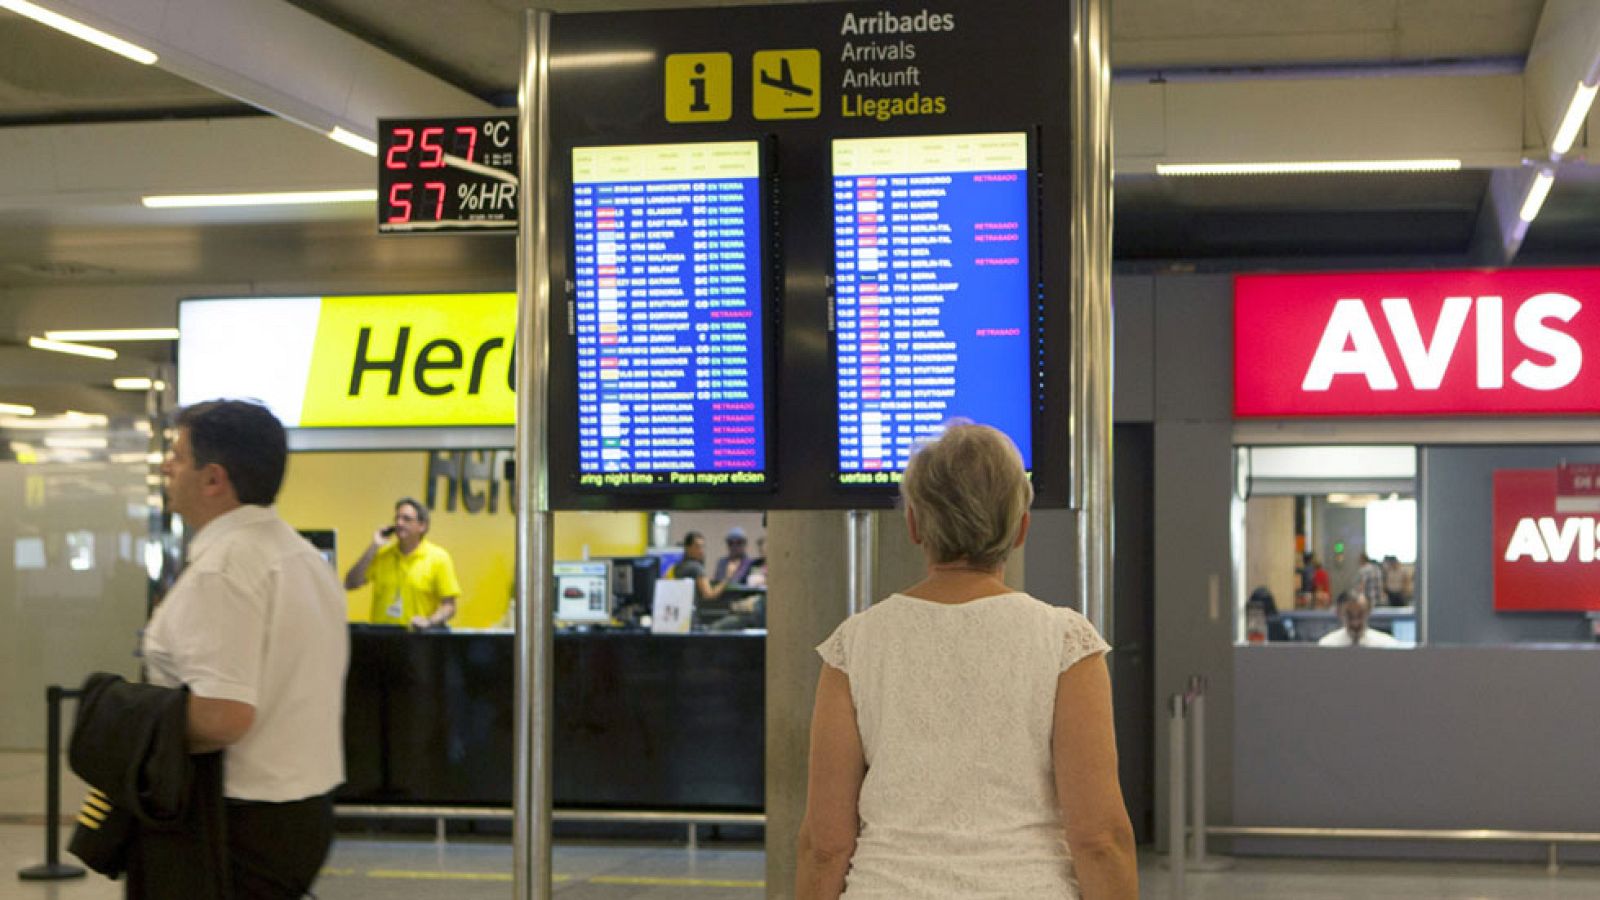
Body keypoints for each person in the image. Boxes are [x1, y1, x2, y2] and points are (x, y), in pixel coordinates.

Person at [796, 424, 1137, 900]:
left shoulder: (853, 646)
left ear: (914, 524)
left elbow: (825, 846)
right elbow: (1099, 839)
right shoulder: (1066, 643)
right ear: (1021, 528)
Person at [145, 400, 348, 898]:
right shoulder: (302, 558)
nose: (166, 467)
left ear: (214, 479)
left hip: (234, 821)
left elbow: (223, 716)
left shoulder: (225, 569)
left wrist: (131, 726)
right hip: (301, 811)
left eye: (178, 455)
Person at [344, 497, 461, 629]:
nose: (399, 523)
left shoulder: (439, 558)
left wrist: (429, 621)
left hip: (418, 636)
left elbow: (449, 606)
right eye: (397, 518)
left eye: (406, 519)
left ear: (422, 526)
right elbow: (350, 583)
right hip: (381, 637)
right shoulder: (381, 554)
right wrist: (374, 546)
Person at [1318, 591, 1404, 647]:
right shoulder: (1326, 645)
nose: (1355, 623)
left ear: (1369, 611)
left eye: (1361, 615)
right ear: (1339, 613)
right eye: (1349, 616)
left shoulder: (1388, 645)